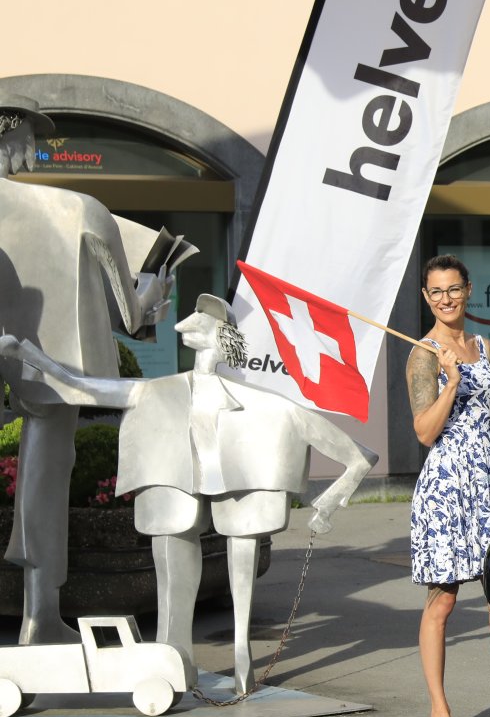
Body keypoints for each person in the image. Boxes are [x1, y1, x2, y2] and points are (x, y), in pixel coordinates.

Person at [0, 296, 375, 694]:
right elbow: (79, 387)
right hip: (175, 485)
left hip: (243, 489)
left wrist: (331, 499)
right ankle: (175, 655)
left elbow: (359, 457)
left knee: (242, 548)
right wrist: (27, 355)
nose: (188, 324)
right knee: (172, 556)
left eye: (203, 319)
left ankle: (241, 655)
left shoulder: (265, 405)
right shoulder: (157, 392)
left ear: (223, 335)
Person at [0, 94, 174, 644]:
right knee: (48, 473)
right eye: (30, 139)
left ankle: (40, 616)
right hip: (57, 371)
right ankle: (40, 613)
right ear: (11, 131)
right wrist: (155, 291)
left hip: (21, 360)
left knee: (43, 472)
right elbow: (132, 315)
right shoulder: (80, 209)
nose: (34, 153)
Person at [407, 254, 490, 717]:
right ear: (426, 297)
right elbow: (425, 432)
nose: (446, 298)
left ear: (468, 290)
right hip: (446, 489)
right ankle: (439, 713)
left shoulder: (484, 346)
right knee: (443, 601)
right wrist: (451, 382)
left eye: (453, 289)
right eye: (436, 292)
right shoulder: (423, 354)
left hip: (488, 486)